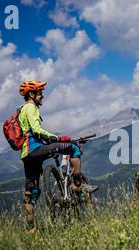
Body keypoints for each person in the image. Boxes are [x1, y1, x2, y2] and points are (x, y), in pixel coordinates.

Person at [18, 80, 97, 233]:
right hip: (36, 149)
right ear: (32, 94)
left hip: (26, 154)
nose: (42, 96)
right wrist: (57, 138)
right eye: (40, 93)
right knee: (73, 147)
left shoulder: (21, 110)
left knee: (31, 192)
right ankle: (76, 184)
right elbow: (37, 130)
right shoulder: (30, 108)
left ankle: (30, 229)